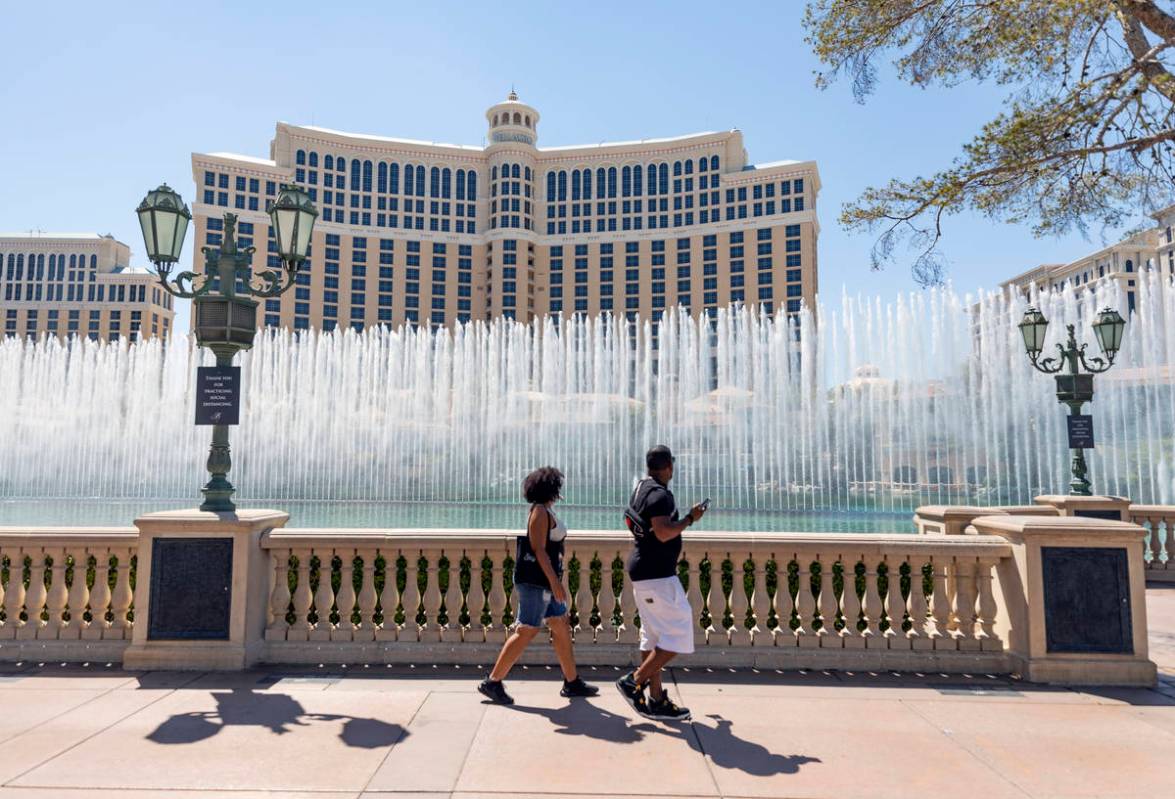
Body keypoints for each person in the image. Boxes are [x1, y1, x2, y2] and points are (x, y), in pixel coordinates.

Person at [478, 466, 599, 705]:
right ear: (550, 489)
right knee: (527, 630)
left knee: (560, 624)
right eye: (557, 487)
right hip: (537, 583)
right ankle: (493, 682)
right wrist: (555, 583)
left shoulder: (546, 510)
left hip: (544, 581)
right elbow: (539, 550)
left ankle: (572, 681)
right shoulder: (540, 513)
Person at [615, 444, 706, 721]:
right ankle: (634, 681)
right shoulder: (660, 496)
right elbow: (664, 533)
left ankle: (656, 700)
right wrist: (690, 518)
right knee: (679, 632)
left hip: (645, 572)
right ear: (668, 466)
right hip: (657, 576)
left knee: (653, 635)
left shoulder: (641, 488)